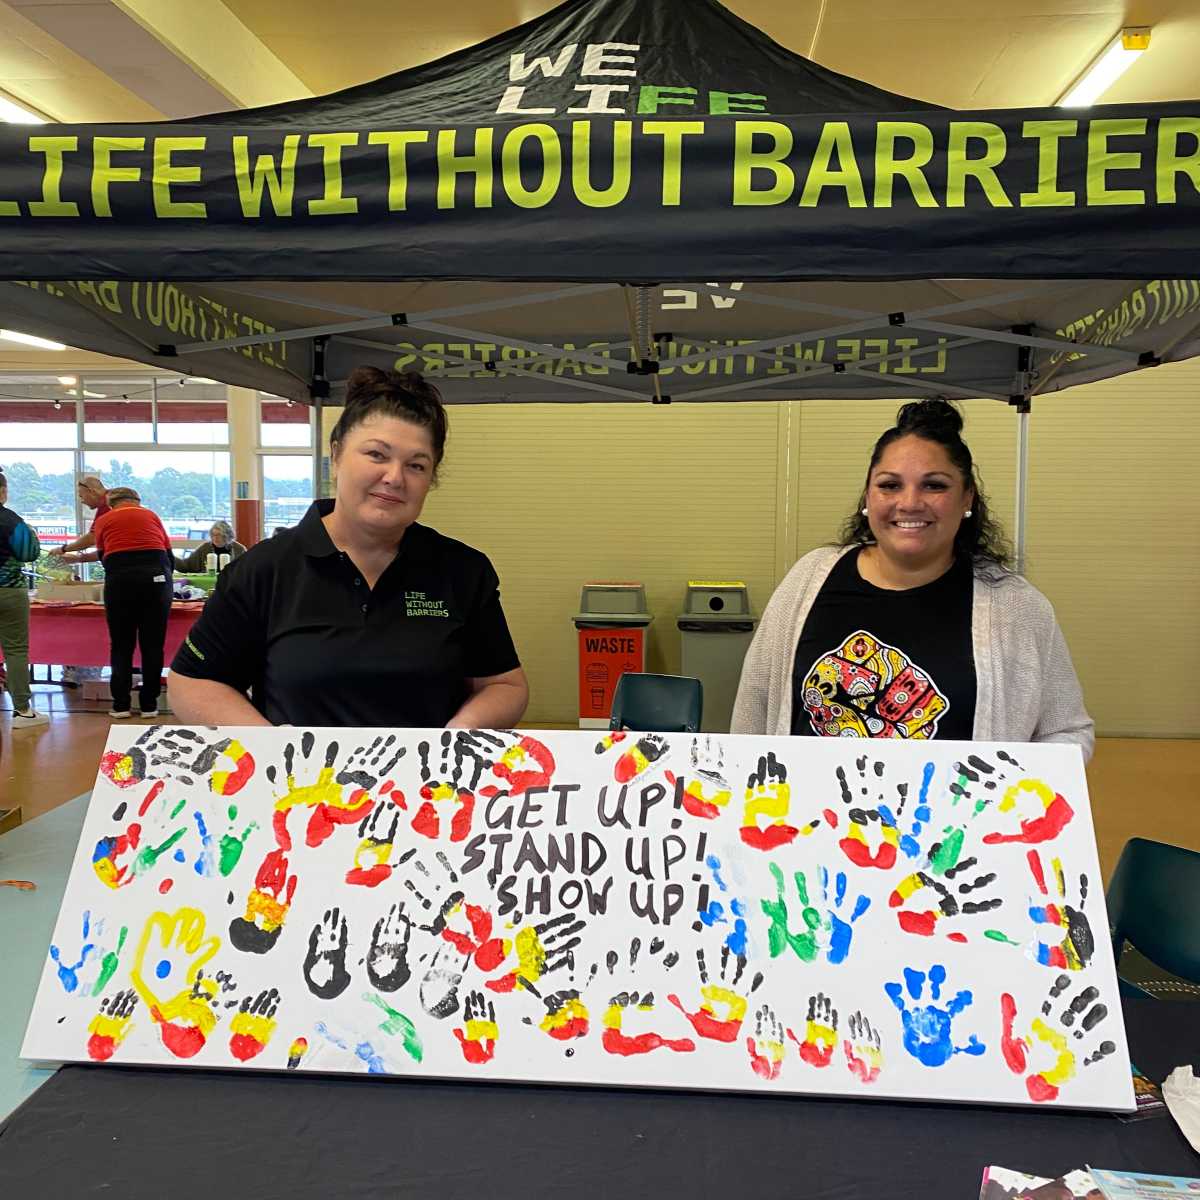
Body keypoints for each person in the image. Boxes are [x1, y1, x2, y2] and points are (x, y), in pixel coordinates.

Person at [731, 400, 1093, 759]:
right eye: (890, 485)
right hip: (807, 813)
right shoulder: (808, 579)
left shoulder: (1016, 606)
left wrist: (1007, 789)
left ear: (967, 497)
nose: (909, 502)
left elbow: (1067, 731)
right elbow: (754, 706)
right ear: (868, 497)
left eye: (934, 485)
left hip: (954, 816)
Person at [169, 367, 529, 728]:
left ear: (430, 478)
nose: (394, 477)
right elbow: (194, 681)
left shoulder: (462, 570)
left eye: (416, 465)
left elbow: (504, 685)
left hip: (425, 782)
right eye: (376, 454)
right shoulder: (265, 570)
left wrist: (454, 737)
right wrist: (271, 751)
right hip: (299, 782)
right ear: (337, 455)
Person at [83, 487, 174, 719]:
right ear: (137, 501)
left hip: (120, 582)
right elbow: (168, 555)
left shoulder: (105, 518)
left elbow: (103, 555)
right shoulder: (151, 515)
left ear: (111, 503)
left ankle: (121, 705)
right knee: (153, 645)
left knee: (122, 646)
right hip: (156, 580)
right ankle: (149, 705)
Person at [0, 470, 48, 728]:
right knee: (15, 650)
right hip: (9, 590)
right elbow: (29, 553)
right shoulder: (11, 520)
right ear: (3, 491)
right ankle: (22, 711)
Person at [175, 521, 247, 573]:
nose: (215, 538)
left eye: (218, 535)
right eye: (213, 535)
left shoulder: (239, 549)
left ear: (227, 536)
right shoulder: (205, 548)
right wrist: (170, 557)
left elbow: (247, 570)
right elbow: (186, 566)